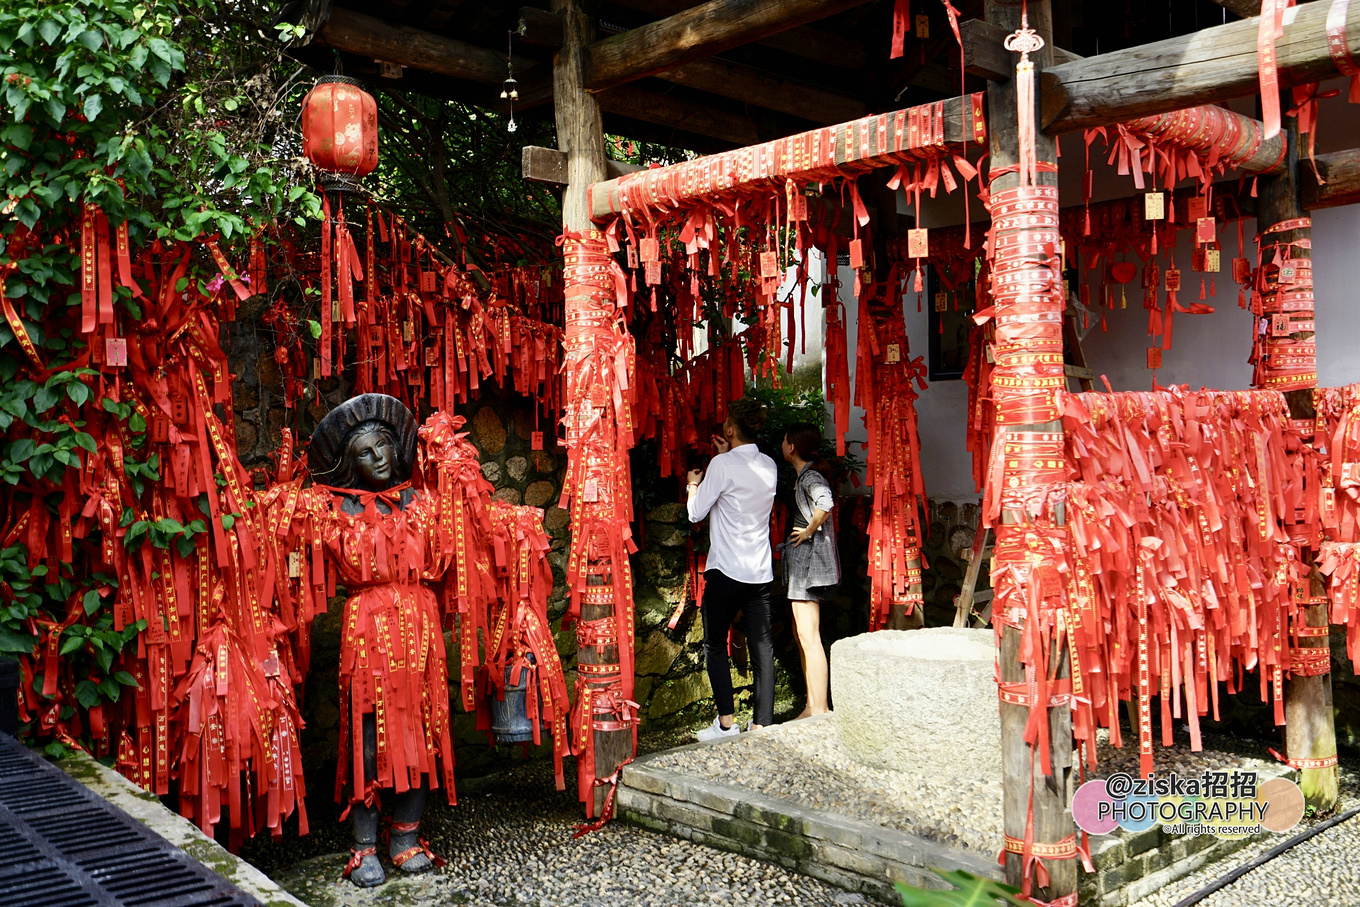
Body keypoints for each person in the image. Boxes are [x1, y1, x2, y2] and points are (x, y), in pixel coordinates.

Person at [686, 397, 777, 741]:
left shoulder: (721, 466)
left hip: (725, 569)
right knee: (762, 646)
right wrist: (724, 455)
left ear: (729, 429)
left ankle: (726, 724)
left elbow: (696, 513)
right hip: (759, 572)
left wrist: (694, 483)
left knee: (714, 645)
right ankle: (761, 725)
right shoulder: (769, 465)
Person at [781, 422, 840, 719]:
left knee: (809, 635)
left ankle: (819, 708)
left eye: (784, 440)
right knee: (801, 633)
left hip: (808, 565)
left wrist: (807, 531)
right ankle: (811, 704)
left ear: (792, 447)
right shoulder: (804, 475)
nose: (782, 444)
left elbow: (825, 502)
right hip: (801, 565)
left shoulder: (811, 476)